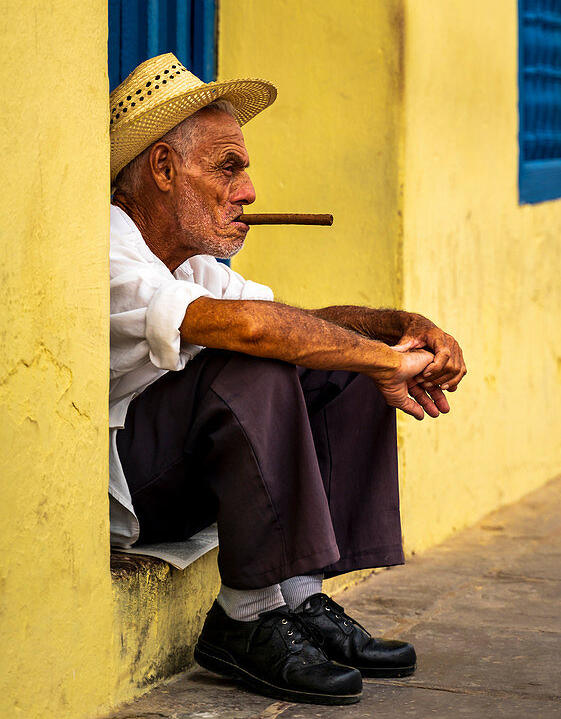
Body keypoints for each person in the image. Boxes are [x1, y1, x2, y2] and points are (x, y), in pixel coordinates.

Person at [109, 53, 466, 707]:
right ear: (162, 168)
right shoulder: (106, 244)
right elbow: (250, 331)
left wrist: (394, 329)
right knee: (253, 358)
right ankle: (245, 618)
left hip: (179, 474)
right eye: (228, 168)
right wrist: (386, 362)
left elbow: (293, 323)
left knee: (339, 355)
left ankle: (300, 598)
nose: (246, 191)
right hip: (129, 496)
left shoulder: (190, 262)